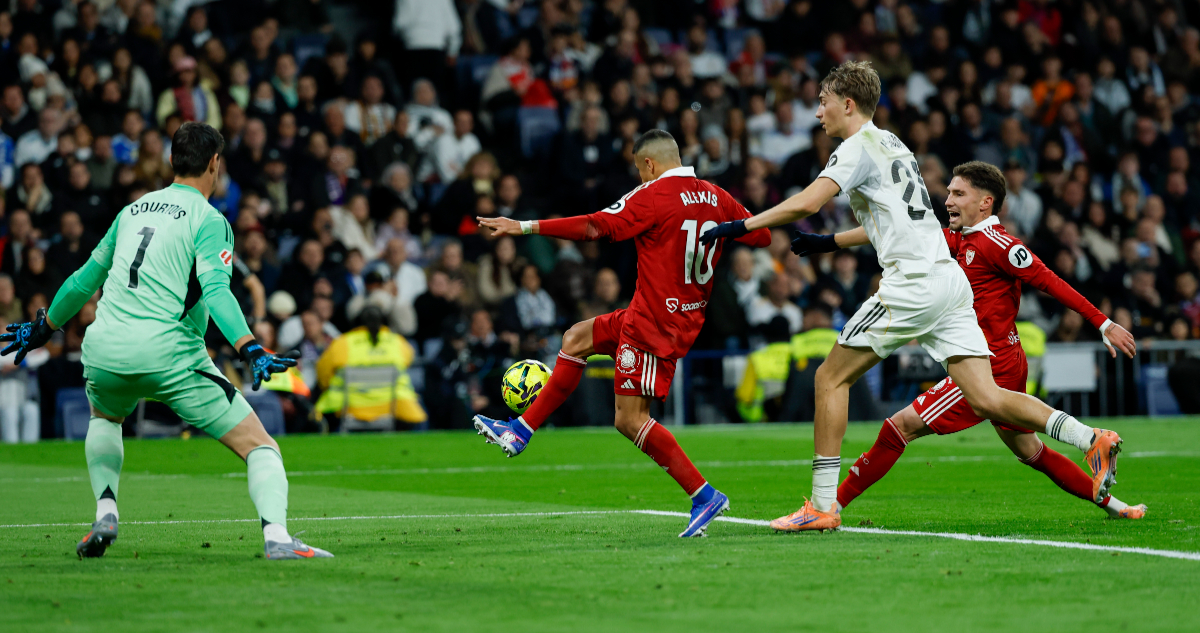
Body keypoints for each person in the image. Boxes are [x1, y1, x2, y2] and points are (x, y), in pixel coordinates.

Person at [699, 61, 1131, 532]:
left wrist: (741, 225)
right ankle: (1090, 436)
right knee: (987, 397)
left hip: (911, 284)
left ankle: (822, 506)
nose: (817, 111)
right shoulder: (895, 144)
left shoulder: (856, 147)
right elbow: (903, 221)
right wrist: (829, 242)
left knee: (829, 379)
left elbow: (807, 202)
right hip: (949, 283)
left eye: (822, 101)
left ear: (848, 104)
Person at [0, 122, 330, 560]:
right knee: (260, 445)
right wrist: (249, 346)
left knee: (105, 418)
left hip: (104, 349)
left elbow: (83, 282)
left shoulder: (133, 211)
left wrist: (43, 329)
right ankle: (278, 538)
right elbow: (215, 290)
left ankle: (106, 509)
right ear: (215, 164)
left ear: (173, 161)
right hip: (168, 353)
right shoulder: (210, 220)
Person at [793, 161, 1145, 521]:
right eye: (948, 192)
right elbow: (899, 234)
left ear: (985, 203)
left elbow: (1050, 281)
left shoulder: (999, 244)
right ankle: (1117, 506)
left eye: (958, 193)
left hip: (987, 362)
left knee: (899, 427)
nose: (947, 200)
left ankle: (830, 507)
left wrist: (1103, 324)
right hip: (998, 356)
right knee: (1029, 451)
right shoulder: (960, 238)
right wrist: (827, 242)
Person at [475, 129, 772, 537]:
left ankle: (703, 494)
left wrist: (525, 227)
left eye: (638, 170)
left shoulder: (651, 195)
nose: (639, 179)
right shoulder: (716, 195)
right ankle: (521, 429)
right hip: (673, 313)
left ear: (648, 164)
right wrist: (718, 229)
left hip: (654, 324)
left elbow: (596, 227)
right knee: (576, 338)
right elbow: (762, 234)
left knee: (630, 420)